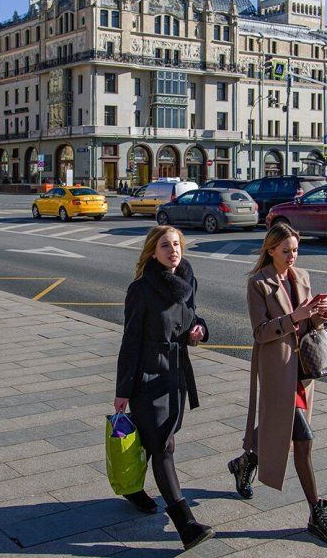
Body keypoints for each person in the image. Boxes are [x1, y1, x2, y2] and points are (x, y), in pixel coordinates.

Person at [227, 223, 327, 548]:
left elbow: (308, 324)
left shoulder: (301, 276)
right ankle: (316, 512)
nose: (292, 256)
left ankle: (244, 462)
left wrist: (319, 315)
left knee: (276, 427)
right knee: (302, 441)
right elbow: (260, 332)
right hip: (278, 370)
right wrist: (295, 316)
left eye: (295, 250)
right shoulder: (258, 283)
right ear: (270, 250)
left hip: (302, 372)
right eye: (285, 251)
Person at [113, 225, 213, 551]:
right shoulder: (140, 289)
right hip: (148, 376)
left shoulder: (186, 282)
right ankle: (185, 523)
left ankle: (132, 488)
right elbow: (130, 341)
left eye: (176, 244)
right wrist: (123, 389)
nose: (173, 251)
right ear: (152, 252)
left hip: (176, 375)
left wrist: (198, 331)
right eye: (165, 246)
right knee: (163, 446)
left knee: (157, 438)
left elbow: (192, 319)